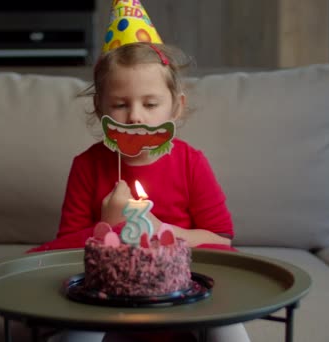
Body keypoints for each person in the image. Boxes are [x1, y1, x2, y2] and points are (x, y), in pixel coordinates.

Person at [39, 41, 251, 342]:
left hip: (180, 291)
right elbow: (66, 253)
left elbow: (221, 239)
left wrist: (163, 230)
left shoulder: (191, 162)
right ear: (100, 107)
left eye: (150, 105)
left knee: (229, 327)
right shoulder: (86, 166)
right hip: (107, 295)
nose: (135, 117)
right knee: (78, 333)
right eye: (121, 105)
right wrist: (110, 226)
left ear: (176, 107)